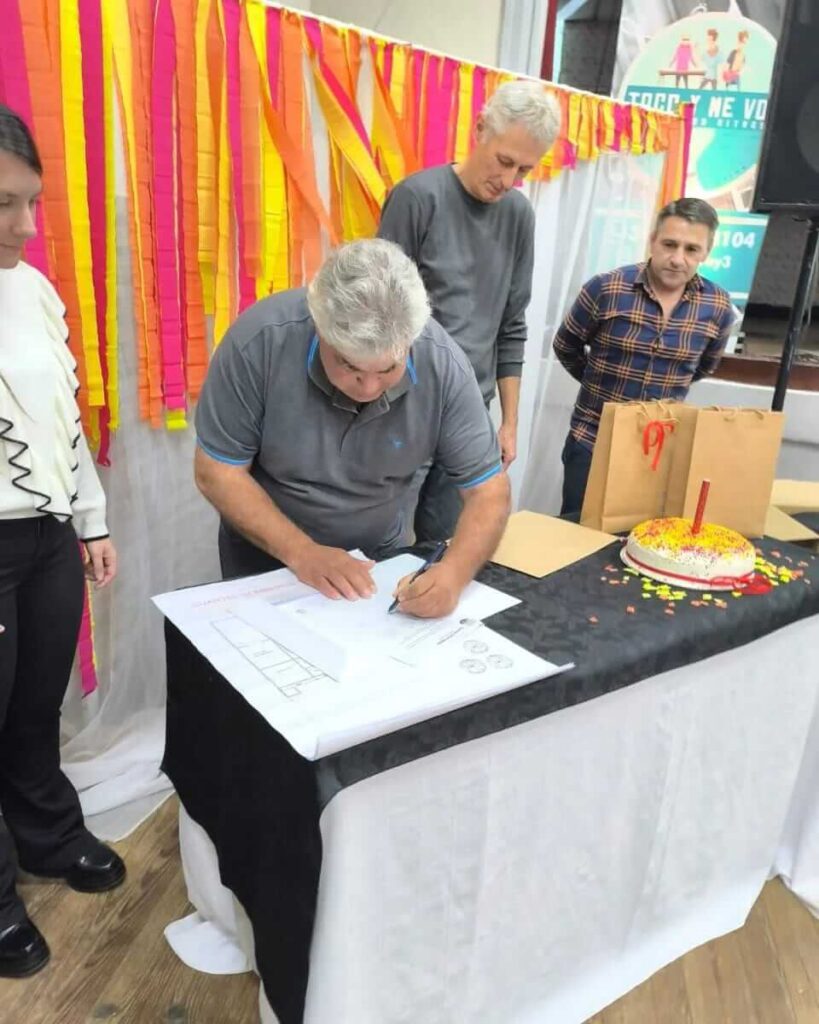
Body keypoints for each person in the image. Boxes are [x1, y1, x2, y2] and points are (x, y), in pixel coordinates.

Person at [194, 238, 510, 619]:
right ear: (319, 329)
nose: (370, 388)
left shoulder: (442, 365)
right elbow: (217, 471)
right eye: (350, 367)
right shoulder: (259, 342)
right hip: (266, 558)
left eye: (387, 370)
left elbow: (488, 492)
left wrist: (454, 574)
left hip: (378, 561)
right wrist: (302, 552)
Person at [0, 105, 123, 979]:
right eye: (5, 204)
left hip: (43, 536)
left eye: (32, 201)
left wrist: (91, 517)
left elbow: (62, 419)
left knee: (34, 702)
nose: (27, 226)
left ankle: (46, 834)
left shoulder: (31, 286)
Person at [377, 79, 559, 543]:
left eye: (523, 169)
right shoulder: (418, 198)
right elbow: (379, 315)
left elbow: (511, 326)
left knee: (445, 545)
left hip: (471, 412)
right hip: (402, 408)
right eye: (503, 161)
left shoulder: (518, 215)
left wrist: (509, 423)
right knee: (381, 543)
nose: (509, 179)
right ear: (480, 129)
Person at [553, 197, 735, 518]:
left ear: (706, 252)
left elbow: (704, 366)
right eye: (669, 244)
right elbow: (565, 346)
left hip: (658, 453)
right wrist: (598, 380)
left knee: (640, 543)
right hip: (592, 441)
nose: (677, 258)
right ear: (652, 240)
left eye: (691, 249)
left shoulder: (717, 306)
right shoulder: (607, 288)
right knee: (575, 538)